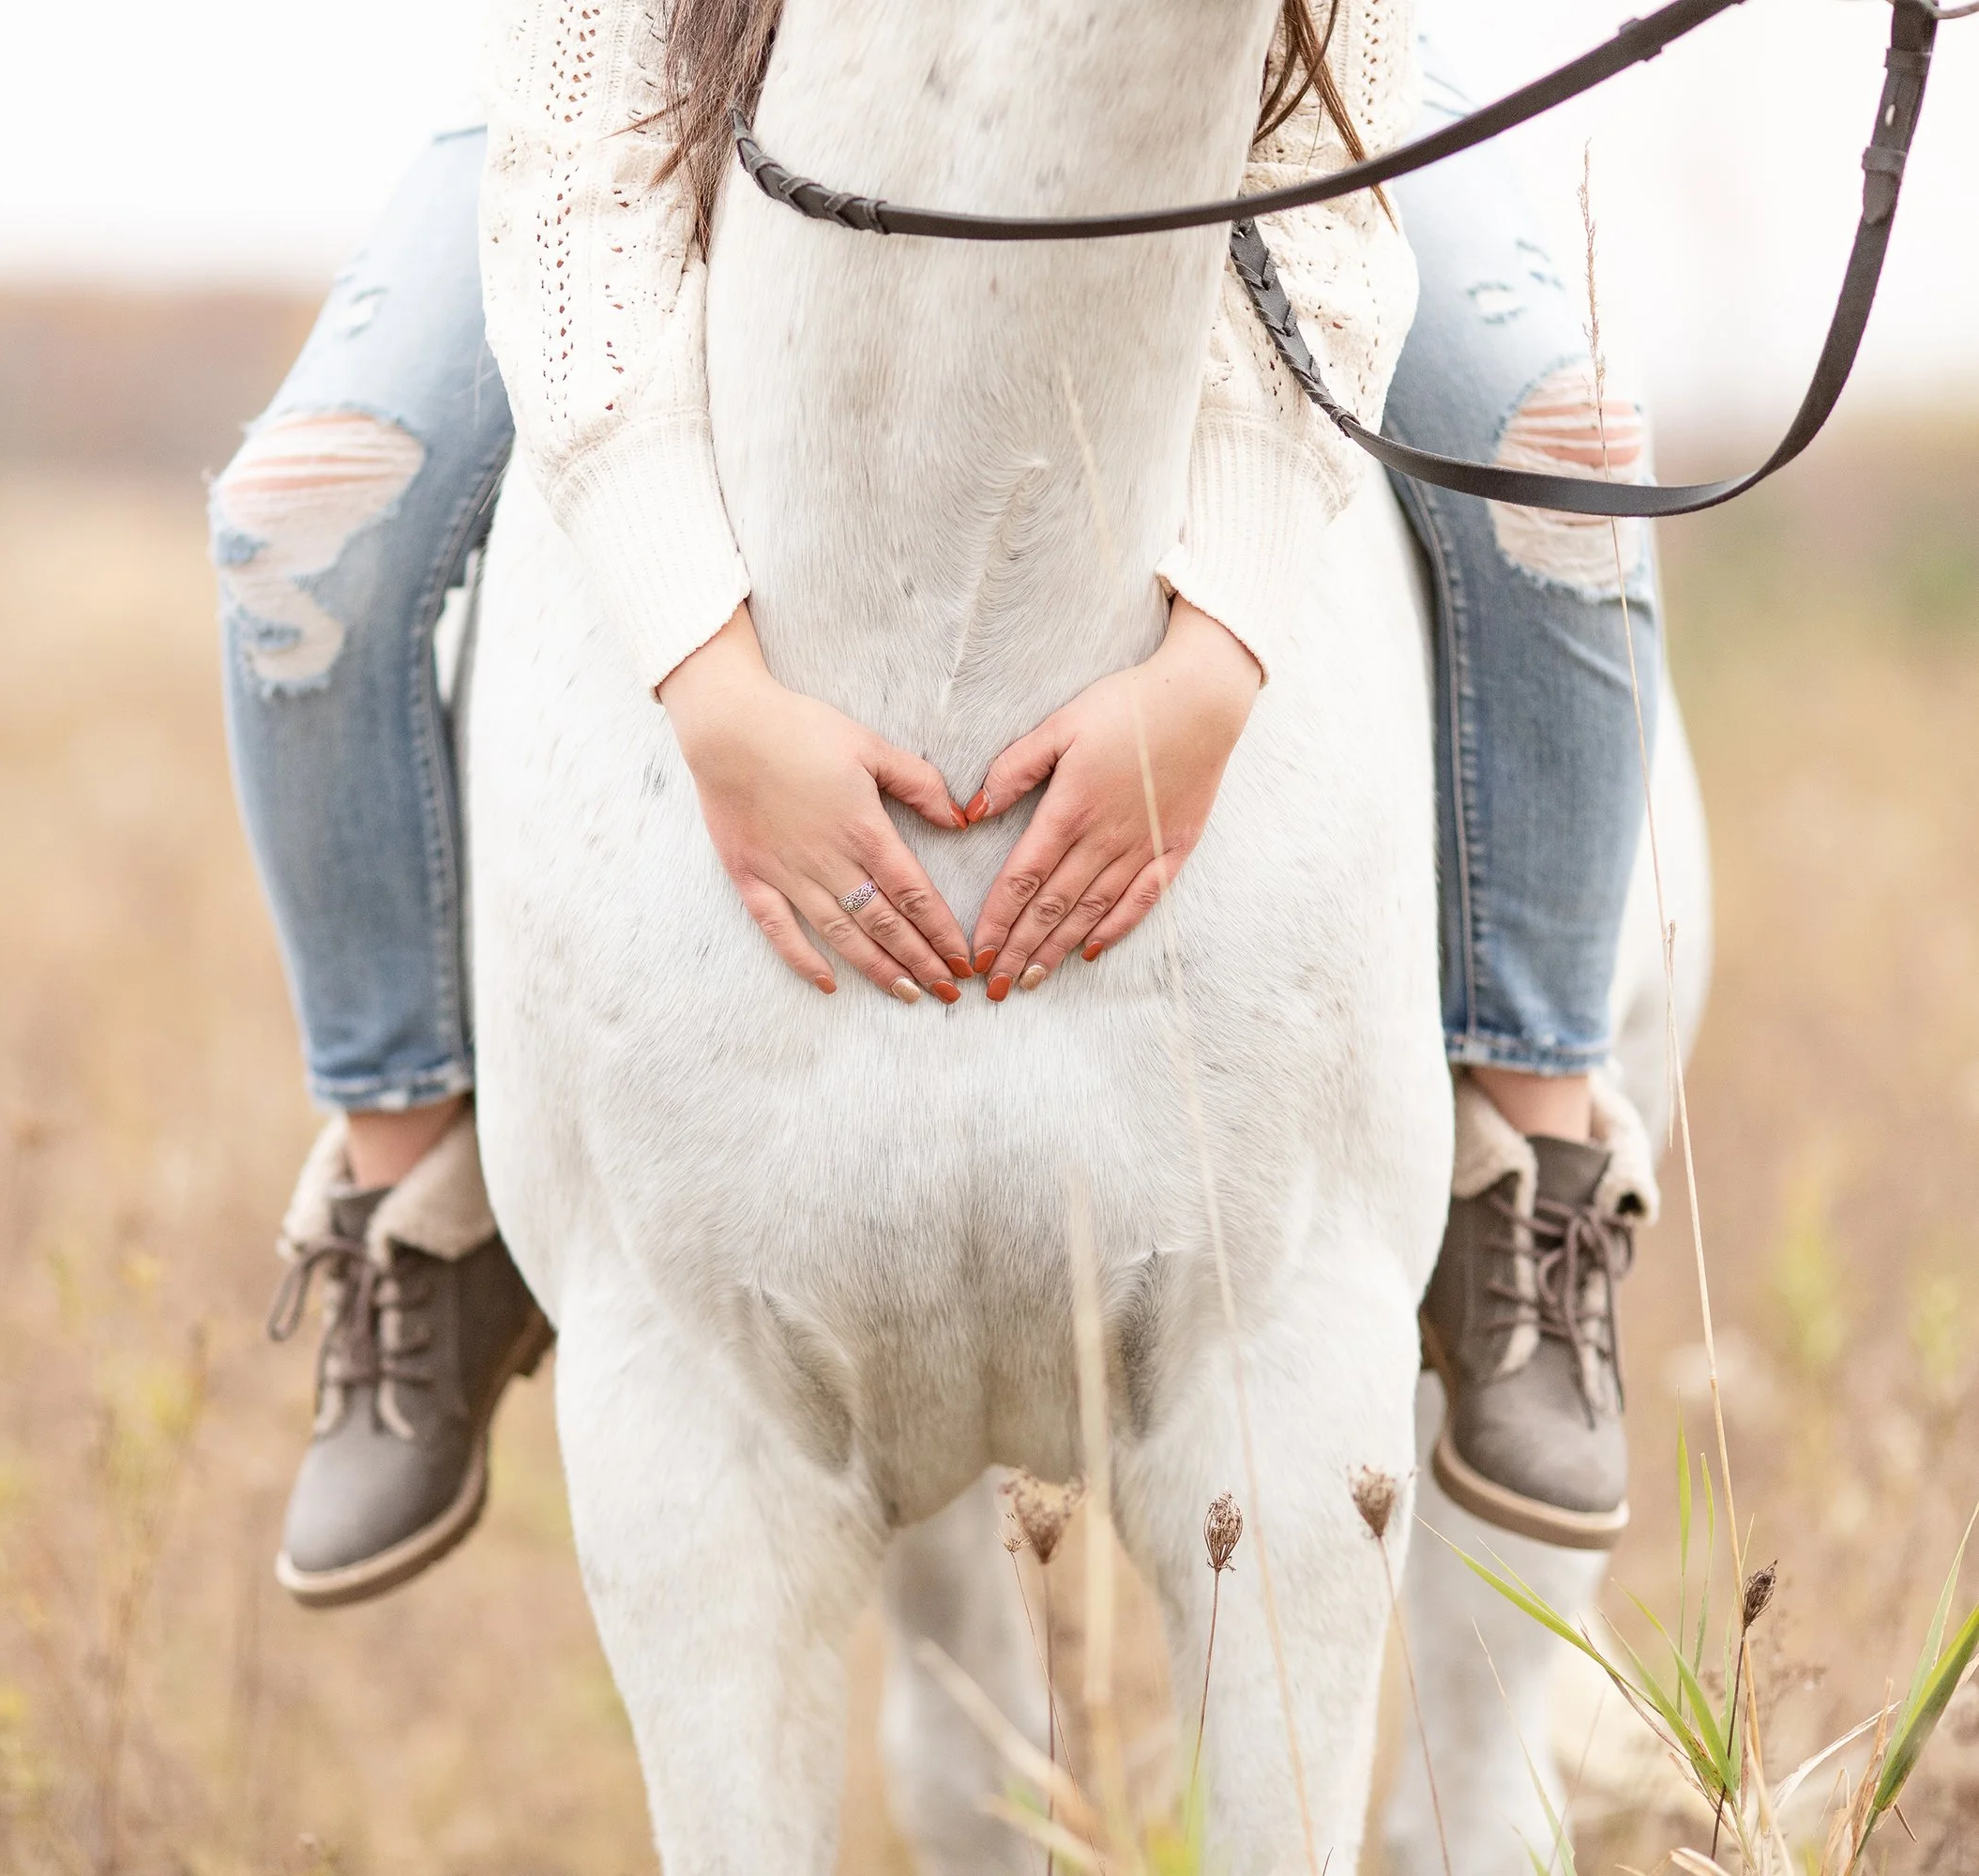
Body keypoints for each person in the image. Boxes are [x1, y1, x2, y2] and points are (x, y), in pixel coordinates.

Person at [213, 1, 1661, 1610]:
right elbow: (579, 185)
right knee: (296, 529)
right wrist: (708, 678)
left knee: (1570, 455)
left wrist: (1223, 645)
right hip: (639, 61)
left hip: (1252, 80)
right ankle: (410, 1184)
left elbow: (1323, 156)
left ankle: (1534, 1152)